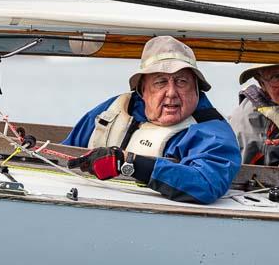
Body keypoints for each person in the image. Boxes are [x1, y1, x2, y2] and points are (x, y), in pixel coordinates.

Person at [63, 36, 241, 204]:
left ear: (196, 87)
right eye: (160, 82)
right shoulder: (112, 109)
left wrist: (129, 162)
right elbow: (65, 156)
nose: (171, 93)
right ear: (142, 90)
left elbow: (207, 183)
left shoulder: (212, 132)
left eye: (181, 81)